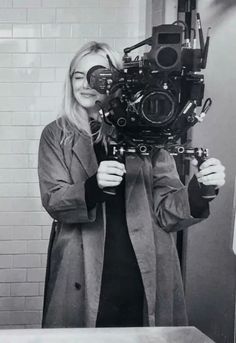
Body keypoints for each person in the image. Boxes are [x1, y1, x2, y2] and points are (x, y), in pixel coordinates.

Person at [38, 41, 225, 328]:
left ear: (117, 80)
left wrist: (200, 189)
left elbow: (167, 211)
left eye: (98, 74)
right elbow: (54, 200)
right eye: (78, 76)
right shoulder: (56, 135)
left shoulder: (147, 130)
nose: (87, 84)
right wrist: (93, 187)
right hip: (82, 271)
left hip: (143, 270)